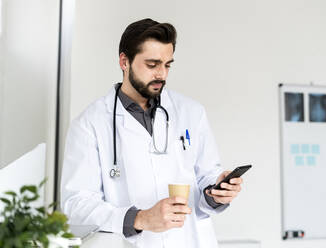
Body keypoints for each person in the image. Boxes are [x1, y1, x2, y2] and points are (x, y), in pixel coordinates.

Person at [61, 18, 243, 248]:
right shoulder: (89, 124)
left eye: (167, 64)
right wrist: (140, 219)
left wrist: (216, 192)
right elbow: (76, 205)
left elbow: (206, 175)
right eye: (152, 64)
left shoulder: (191, 112)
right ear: (124, 61)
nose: (162, 74)